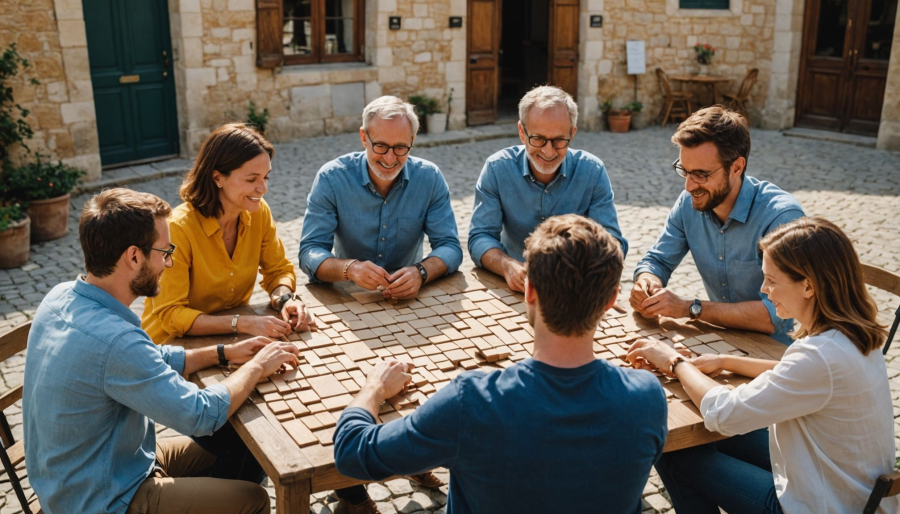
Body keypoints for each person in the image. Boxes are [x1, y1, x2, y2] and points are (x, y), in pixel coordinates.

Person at [334, 214, 667, 513]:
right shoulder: (647, 397)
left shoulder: (471, 402)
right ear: (611, 300)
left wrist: (374, 388)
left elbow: (351, 452)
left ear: (529, 290)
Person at [23, 188, 302, 514]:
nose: (169, 262)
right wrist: (256, 367)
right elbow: (200, 415)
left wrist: (223, 353)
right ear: (133, 257)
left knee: (245, 445)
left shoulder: (60, 296)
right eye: (165, 251)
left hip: (97, 468)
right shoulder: (116, 341)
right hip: (104, 498)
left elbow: (144, 356)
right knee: (253, 500)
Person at [626, 216, 898, 514]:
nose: (764, 289)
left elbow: (724, 413)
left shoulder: (818, 356)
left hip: (823, 505)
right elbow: (796, 374)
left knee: (674, 453)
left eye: (771, 280)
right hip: (845, 487)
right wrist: (724, 361)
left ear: (808, 286)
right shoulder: (853, 333)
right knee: (704, 441)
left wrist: (675, 362)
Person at [630, 106, 804, 345]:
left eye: (701, 174)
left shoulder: (781, 218)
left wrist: (689, 308)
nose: (689, 186)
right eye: (685, 171)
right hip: (719, 339)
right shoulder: (689, 202)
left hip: (777, 349)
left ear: (736, 167)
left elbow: (776, 317)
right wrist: (647, 282)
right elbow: (657, 261)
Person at [142, 123, 314, 345]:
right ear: (217, 178)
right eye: (251, 179)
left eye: (266, 177)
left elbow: (277, 270)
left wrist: (285, 299)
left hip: (228, 339)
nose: (263, 189)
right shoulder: (178, 229)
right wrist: (242, 323)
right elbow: (171, 314)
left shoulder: (259, 212)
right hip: (170, 346)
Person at [299, 95, 462, 301]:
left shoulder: (430, 178)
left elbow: (450, 246)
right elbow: (310, 251)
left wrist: (421, 272)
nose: (390, 158)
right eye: (381, 146)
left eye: (400, 147)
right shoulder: (331, 178)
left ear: (412, 140)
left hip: (408, 299)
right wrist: (350, 269)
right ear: (363, 137)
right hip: (347, 296)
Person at [468, 85, 627, 292]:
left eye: (559, 140)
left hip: (575, 285)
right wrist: (507, 266)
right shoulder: (497, 169)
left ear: (572, 134)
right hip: (515, 285)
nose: (548, 151)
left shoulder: (592, 171)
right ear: (522, 133)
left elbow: (611, 240)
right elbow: (480, 236)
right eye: (538, 139)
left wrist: (597, 273)